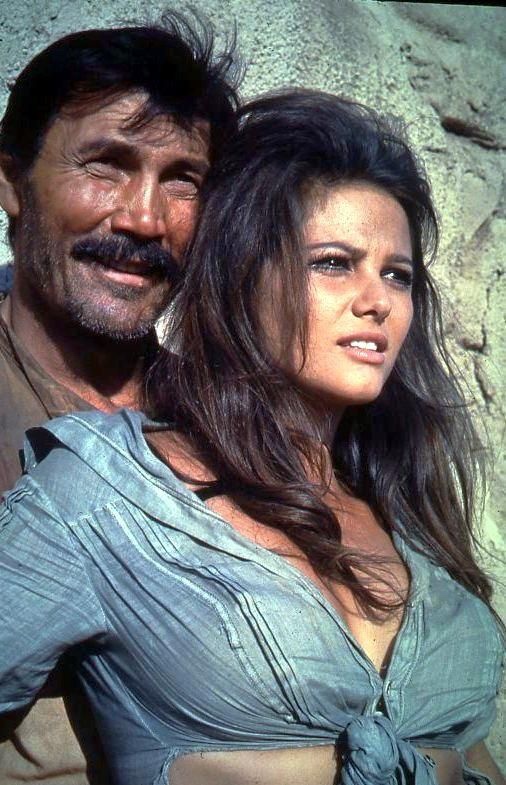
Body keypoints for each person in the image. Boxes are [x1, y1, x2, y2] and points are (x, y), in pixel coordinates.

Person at [0, 90, 504, 785]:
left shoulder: (408, 504)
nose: (377, 300)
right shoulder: (102, 495)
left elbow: (472, 756)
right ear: (242, 277)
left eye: (398, 274)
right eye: (334, 262)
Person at [0, 13, 239, 785]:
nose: (143, 218)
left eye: (183, 180)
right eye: (105, 165)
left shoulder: (227, 424)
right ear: (10, 182)